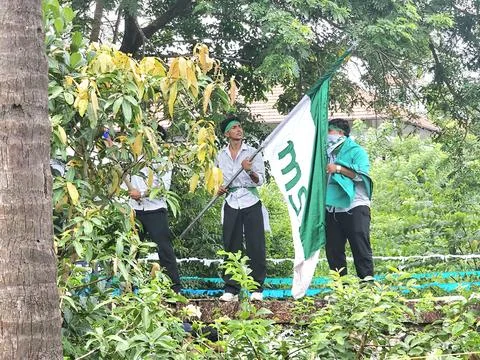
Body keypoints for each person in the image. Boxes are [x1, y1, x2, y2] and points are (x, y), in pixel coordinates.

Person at [112, 127, 182, 293]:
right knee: (131, 250)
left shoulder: (163, 161)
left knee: (164, 249)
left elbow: (164, 187)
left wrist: (141, 193)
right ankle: (127, 288)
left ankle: (174, 289)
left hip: (155, 210)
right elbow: (119, 169)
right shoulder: (132, 158)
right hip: (134, 211)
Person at [216, 115, 267, 302]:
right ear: (227, 133)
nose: (239, 130)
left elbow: (261, 180)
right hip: (231, 201)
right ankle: (231, 288)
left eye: (240, 126)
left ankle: (256, 288)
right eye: (234, 127)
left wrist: (249, 170)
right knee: (231, 244)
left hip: (250, 201)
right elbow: (217, 179)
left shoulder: (253, 152)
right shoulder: (220, 155)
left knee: (256, 244)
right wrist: (219, 188)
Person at [325, 118, 374, 281]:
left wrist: (338, 169)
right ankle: (340, 286)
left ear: (340, 133)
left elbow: (362, 175)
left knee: (360, 245)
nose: (327, 135)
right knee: (333, 249)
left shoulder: (356, 151)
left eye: (329, 131)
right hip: (332, 207)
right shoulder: (326, 153)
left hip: (355, 205)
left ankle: (367, 282)